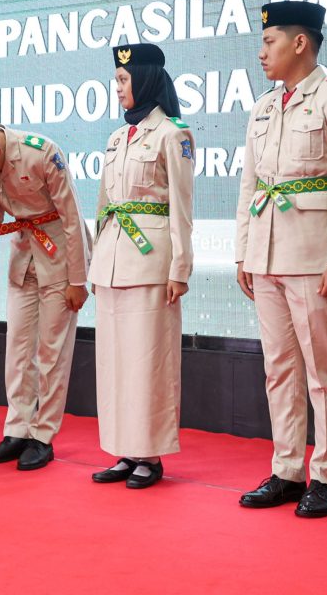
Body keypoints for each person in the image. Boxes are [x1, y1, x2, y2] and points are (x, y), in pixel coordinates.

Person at [234, 1, 327, 517]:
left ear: (299, 42)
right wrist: (244, 250)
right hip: (267, 254)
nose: (261, 52)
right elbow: (251, 183)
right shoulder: (264, 107)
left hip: (315, 255)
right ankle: (287, 469)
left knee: (324, 370)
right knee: (279, 369)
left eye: (269, 42)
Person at [0, 122, 91, 471]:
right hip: (23, 255)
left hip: (58, 252)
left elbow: (72, 218)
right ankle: (17, 430)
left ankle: (42, 436)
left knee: (51, 352)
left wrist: (78, 279)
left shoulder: (41, 153)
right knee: (18, 350)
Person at [87, 43, 194, 489]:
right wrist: (96, 264)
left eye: (124, 81)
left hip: (151, 262)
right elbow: (103, 205)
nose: (118, 89)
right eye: (116, 81)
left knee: (148, 362)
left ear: (146, 80)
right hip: (112, 262)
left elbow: (182, 208)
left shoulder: (174, 134)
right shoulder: (116, 138)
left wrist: (180, 269)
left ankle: (149, 454)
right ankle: (122, 450)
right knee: (113, 362)